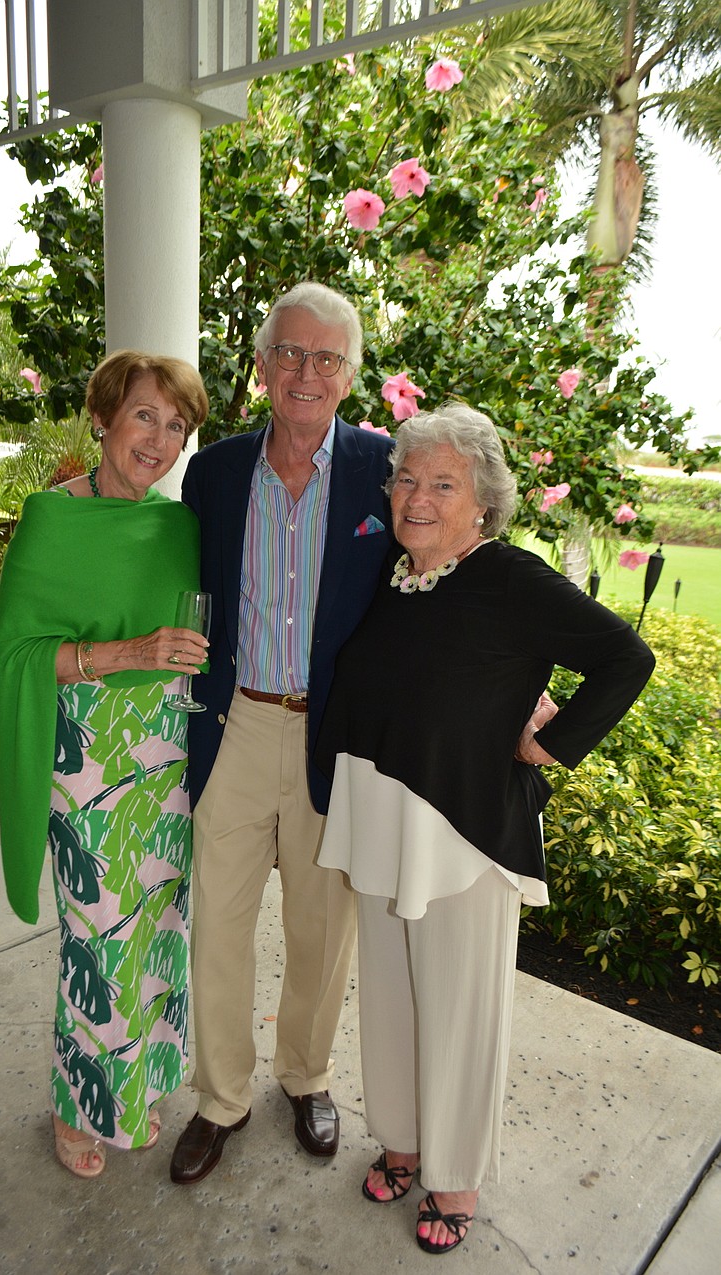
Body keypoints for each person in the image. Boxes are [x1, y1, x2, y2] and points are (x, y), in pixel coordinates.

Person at [315, 404, 655, 1256]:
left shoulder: (509, 577)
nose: (416, 498)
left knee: (459, 1013)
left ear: (484, 504)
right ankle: (403, 1139)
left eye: (442, 484)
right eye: (407, 479)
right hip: (384, 820)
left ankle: (455, 1175)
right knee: (391, 996)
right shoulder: (396, 572)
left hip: (463, 833)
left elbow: (626, 656)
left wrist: (549, 741)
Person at [169, 282, 394, 1184]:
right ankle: (220, 1096)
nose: (306, 371)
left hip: (332, 734)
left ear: (349, 375)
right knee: (217, 924)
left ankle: (306, 1074)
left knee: (322, 925)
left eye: (325, 357)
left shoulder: (385, 468)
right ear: (263, 365)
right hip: (235, 723)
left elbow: (436, 575)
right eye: (290, 352)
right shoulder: (216, 472)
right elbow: (168, 567)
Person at [0, 350, 210, 1179]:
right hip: (84, 753)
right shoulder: (51, 517)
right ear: (104, 416)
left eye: (176, 425)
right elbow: (18, 653)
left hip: (165, 751)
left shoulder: (177, 525)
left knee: (158, 925)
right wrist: (128, 652)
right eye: (145, 415)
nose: (159, 438)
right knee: (97, 933)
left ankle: (135, 1082)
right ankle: (77, 1101)